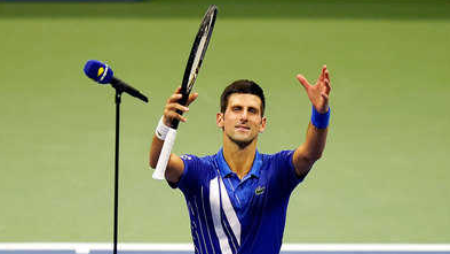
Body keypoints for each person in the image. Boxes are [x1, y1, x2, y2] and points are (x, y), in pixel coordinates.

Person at [149, 65, 332, 254]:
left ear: (262, 124)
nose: (244, 116)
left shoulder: (277, 171)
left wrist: (320, 114)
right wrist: (166, 123)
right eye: (237, 109)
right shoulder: (199, 171)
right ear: (220, 119)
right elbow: (159, 162)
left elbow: (311, 153)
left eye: (252, 111)